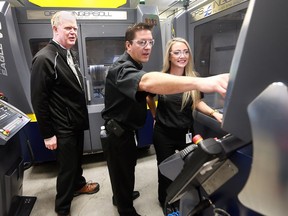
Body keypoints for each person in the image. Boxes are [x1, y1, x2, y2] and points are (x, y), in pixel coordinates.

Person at [101, 22, 229, 216]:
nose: (147, 46)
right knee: (124, 171)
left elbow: (193, 101)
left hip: (169, 132)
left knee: (127, 171)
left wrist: (213, 112)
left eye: (150, 42)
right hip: (127, 132)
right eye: (141, 42)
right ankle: (128, 209)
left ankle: (122, 195)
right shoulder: (123, 69)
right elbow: (147, 85)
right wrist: (201, 83)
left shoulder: (137, 66)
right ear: (128, 45)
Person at [30, 11, 100, 216]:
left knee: (76, 161)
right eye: (68, 28)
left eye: (75, 28)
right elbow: (38, 99)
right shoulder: (44, 58)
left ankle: (78, 185)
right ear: (55, 29)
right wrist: (47, 134)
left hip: (74, 122)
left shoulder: (67, 54)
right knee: (67, 168)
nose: (73, 32)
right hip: (62, 127)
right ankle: (62, 208)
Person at [151, 37, 223, 211]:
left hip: (186, 132)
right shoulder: (162, 78)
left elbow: (197, 102)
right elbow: (149, 96)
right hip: (164, 134)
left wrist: (215, 113)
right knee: (165, 172)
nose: (182, 56)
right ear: (169, 56)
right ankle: (166, 202)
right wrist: (155, 116)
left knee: (189, 169)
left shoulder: (193, 79)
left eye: (185, 52)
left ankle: (186, 199)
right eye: (177, 52)